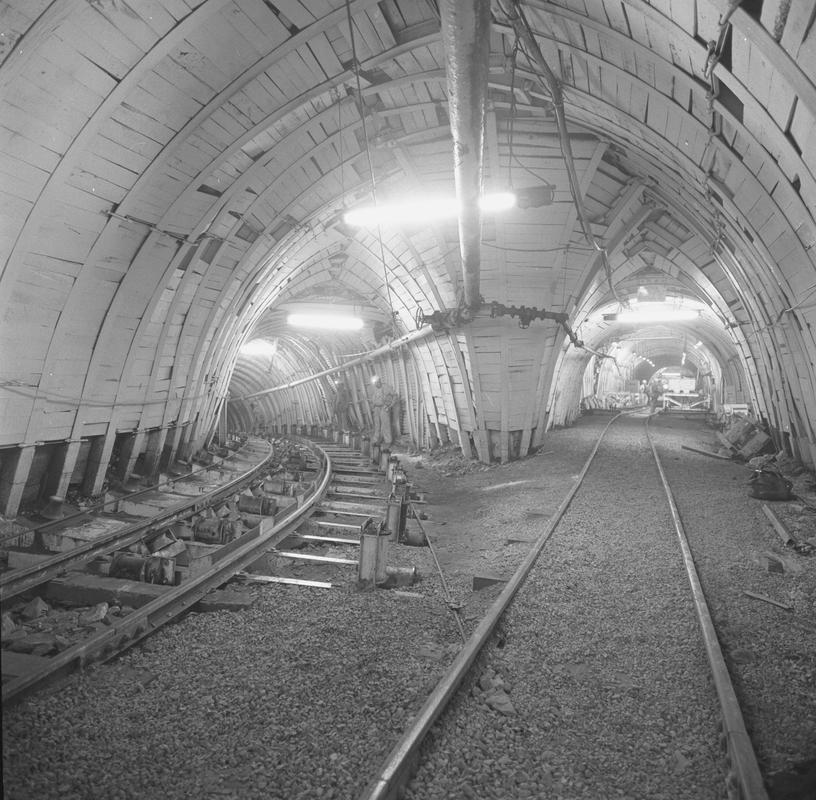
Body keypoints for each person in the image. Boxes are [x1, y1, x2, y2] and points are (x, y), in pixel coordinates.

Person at [369, 374, 400, 446]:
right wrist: (373, 406)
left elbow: (395, 395)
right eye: (375, 383)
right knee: (377, 425)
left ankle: (388, 441)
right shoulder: (374, 389)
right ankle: (376, 439)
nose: (376, 384)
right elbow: (373, 399)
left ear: (380, 381)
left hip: (384, 407)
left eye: (377, 382)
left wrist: (390, 406)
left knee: (386, 425)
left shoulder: (386, 387)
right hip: (376, 408)